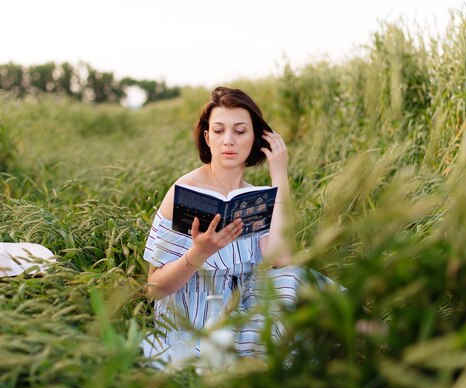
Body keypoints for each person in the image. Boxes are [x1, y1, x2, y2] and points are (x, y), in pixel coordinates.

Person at [142, 86, 335, 365]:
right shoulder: (184, 191)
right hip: (195, 315)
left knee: (297, 278)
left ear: (256, 137)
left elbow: (281, 257)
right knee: (286, 348)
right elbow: (154, 288)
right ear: (207, 138)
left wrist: (279, 172)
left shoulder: (254, 199)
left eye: (240, 131)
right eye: (219, 131)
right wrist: (197, 253)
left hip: (241, 303)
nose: (228, 141)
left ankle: (384, 339)